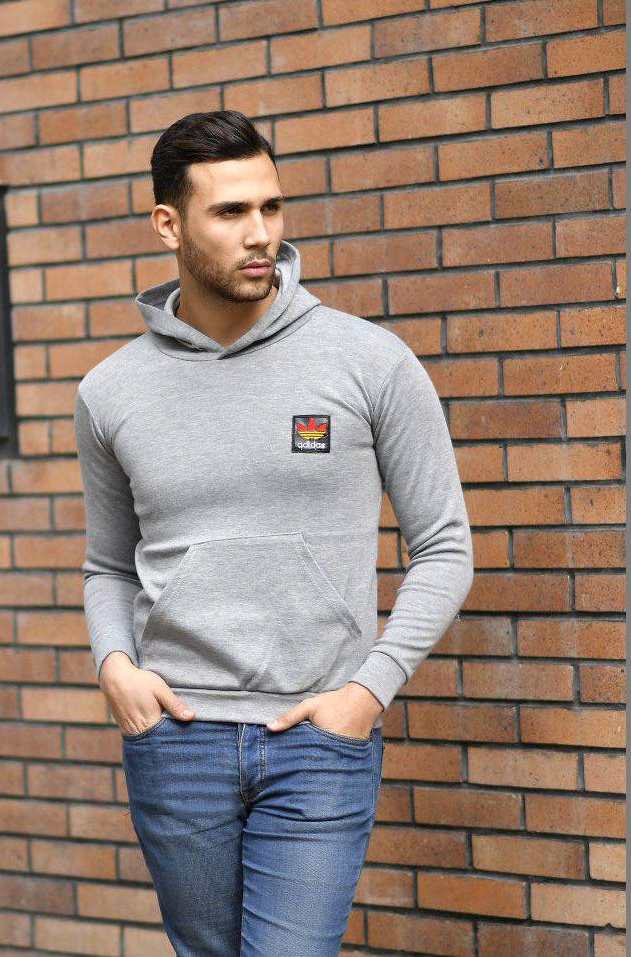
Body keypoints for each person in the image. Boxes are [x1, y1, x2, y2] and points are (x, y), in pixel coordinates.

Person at [73, 109, 474, 956]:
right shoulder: (109, 392)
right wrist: (115, 668)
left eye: (271, 207)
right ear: (168, 225)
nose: (260, 234)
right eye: (230, 212)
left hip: (317, 738)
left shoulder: (368, 362)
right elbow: (108, 564)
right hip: (176, 739)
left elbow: (443, 546)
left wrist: (365, 694)